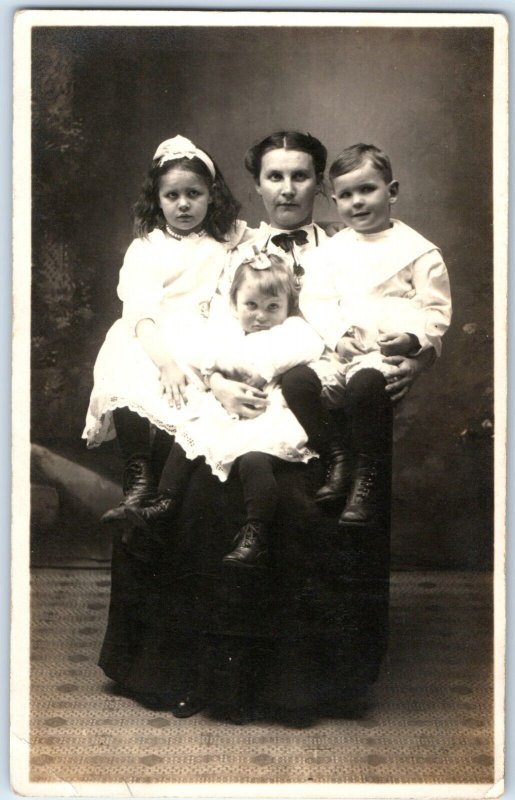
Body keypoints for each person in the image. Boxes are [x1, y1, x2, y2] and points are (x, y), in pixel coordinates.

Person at [98, 132, 430, 725]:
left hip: (309, 413)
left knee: (299, 512)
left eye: (301, 176)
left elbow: (397, 317)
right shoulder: (233, 247)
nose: (287, 189)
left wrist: (413, 359)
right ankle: (193, 675)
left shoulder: (343, 249)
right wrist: (217, 383)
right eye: (275, 177)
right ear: (256, 185)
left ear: (320, 186)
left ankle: (301, 687)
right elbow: (204, 328)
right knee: (201, 497)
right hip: (229, 399)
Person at [82, 135, 244, 522]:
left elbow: (261, 242)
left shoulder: (225, 239)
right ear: (157, 199)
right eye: (172, 196)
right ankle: (138, 477)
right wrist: (166, 363)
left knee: (192, 401)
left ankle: (168, 496)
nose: (184, 204)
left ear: (211, 195)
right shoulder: (147, 247)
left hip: (202, 333)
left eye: (194, 193)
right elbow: (140, 313)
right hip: (152, 334)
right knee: (124, 367)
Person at [127, 253, 324, 568]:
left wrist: (260, 366)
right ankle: (165, 502)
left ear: (289, 307)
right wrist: (215, 372)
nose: (261, 316)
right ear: (234, 305)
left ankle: (255, 532)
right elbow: (198, 353)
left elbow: (308, 346)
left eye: (273, 307)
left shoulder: (292, 330)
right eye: (251, 305)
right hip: (226, 412)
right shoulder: (226, 331)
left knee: (255, 462)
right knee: (188, 437)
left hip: (267, 411)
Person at [300, 143, 452, 525]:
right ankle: (338, 456)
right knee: (298, 381)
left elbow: (435, 309)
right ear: (335, 201)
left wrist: (412, 339)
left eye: (367, 189)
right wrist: (337, 337)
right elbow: (316, 301)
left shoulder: (418, 252)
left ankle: (366, 472)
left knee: (366, 386)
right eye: (346, 195)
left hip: (382, 353)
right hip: (343, 350)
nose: (357, 202)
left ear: (392, 191)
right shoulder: (329, 253)